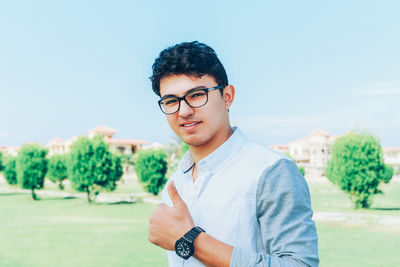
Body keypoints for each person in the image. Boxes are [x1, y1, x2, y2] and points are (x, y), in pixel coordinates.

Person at [148, 41, 319, 267]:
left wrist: (190, 240)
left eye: (197, 95)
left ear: (227, 96)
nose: (184, 111)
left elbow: (300, 264)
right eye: (171, 101)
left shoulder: (269, 171)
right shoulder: (175, 183)